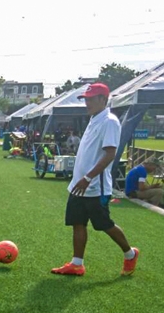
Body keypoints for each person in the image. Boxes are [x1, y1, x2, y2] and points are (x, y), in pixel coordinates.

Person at [51, 83, 139, 277]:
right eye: (86, 99)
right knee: (77, 222)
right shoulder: (94, 119)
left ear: (103, 99)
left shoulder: (109, 121)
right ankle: (77, 264)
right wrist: (78, 179)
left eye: (91, 99)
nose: (87, 103)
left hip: (95, 187)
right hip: (78, 185)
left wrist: (88, 177)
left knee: (104, 224)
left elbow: (110, 154)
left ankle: (130, 254)